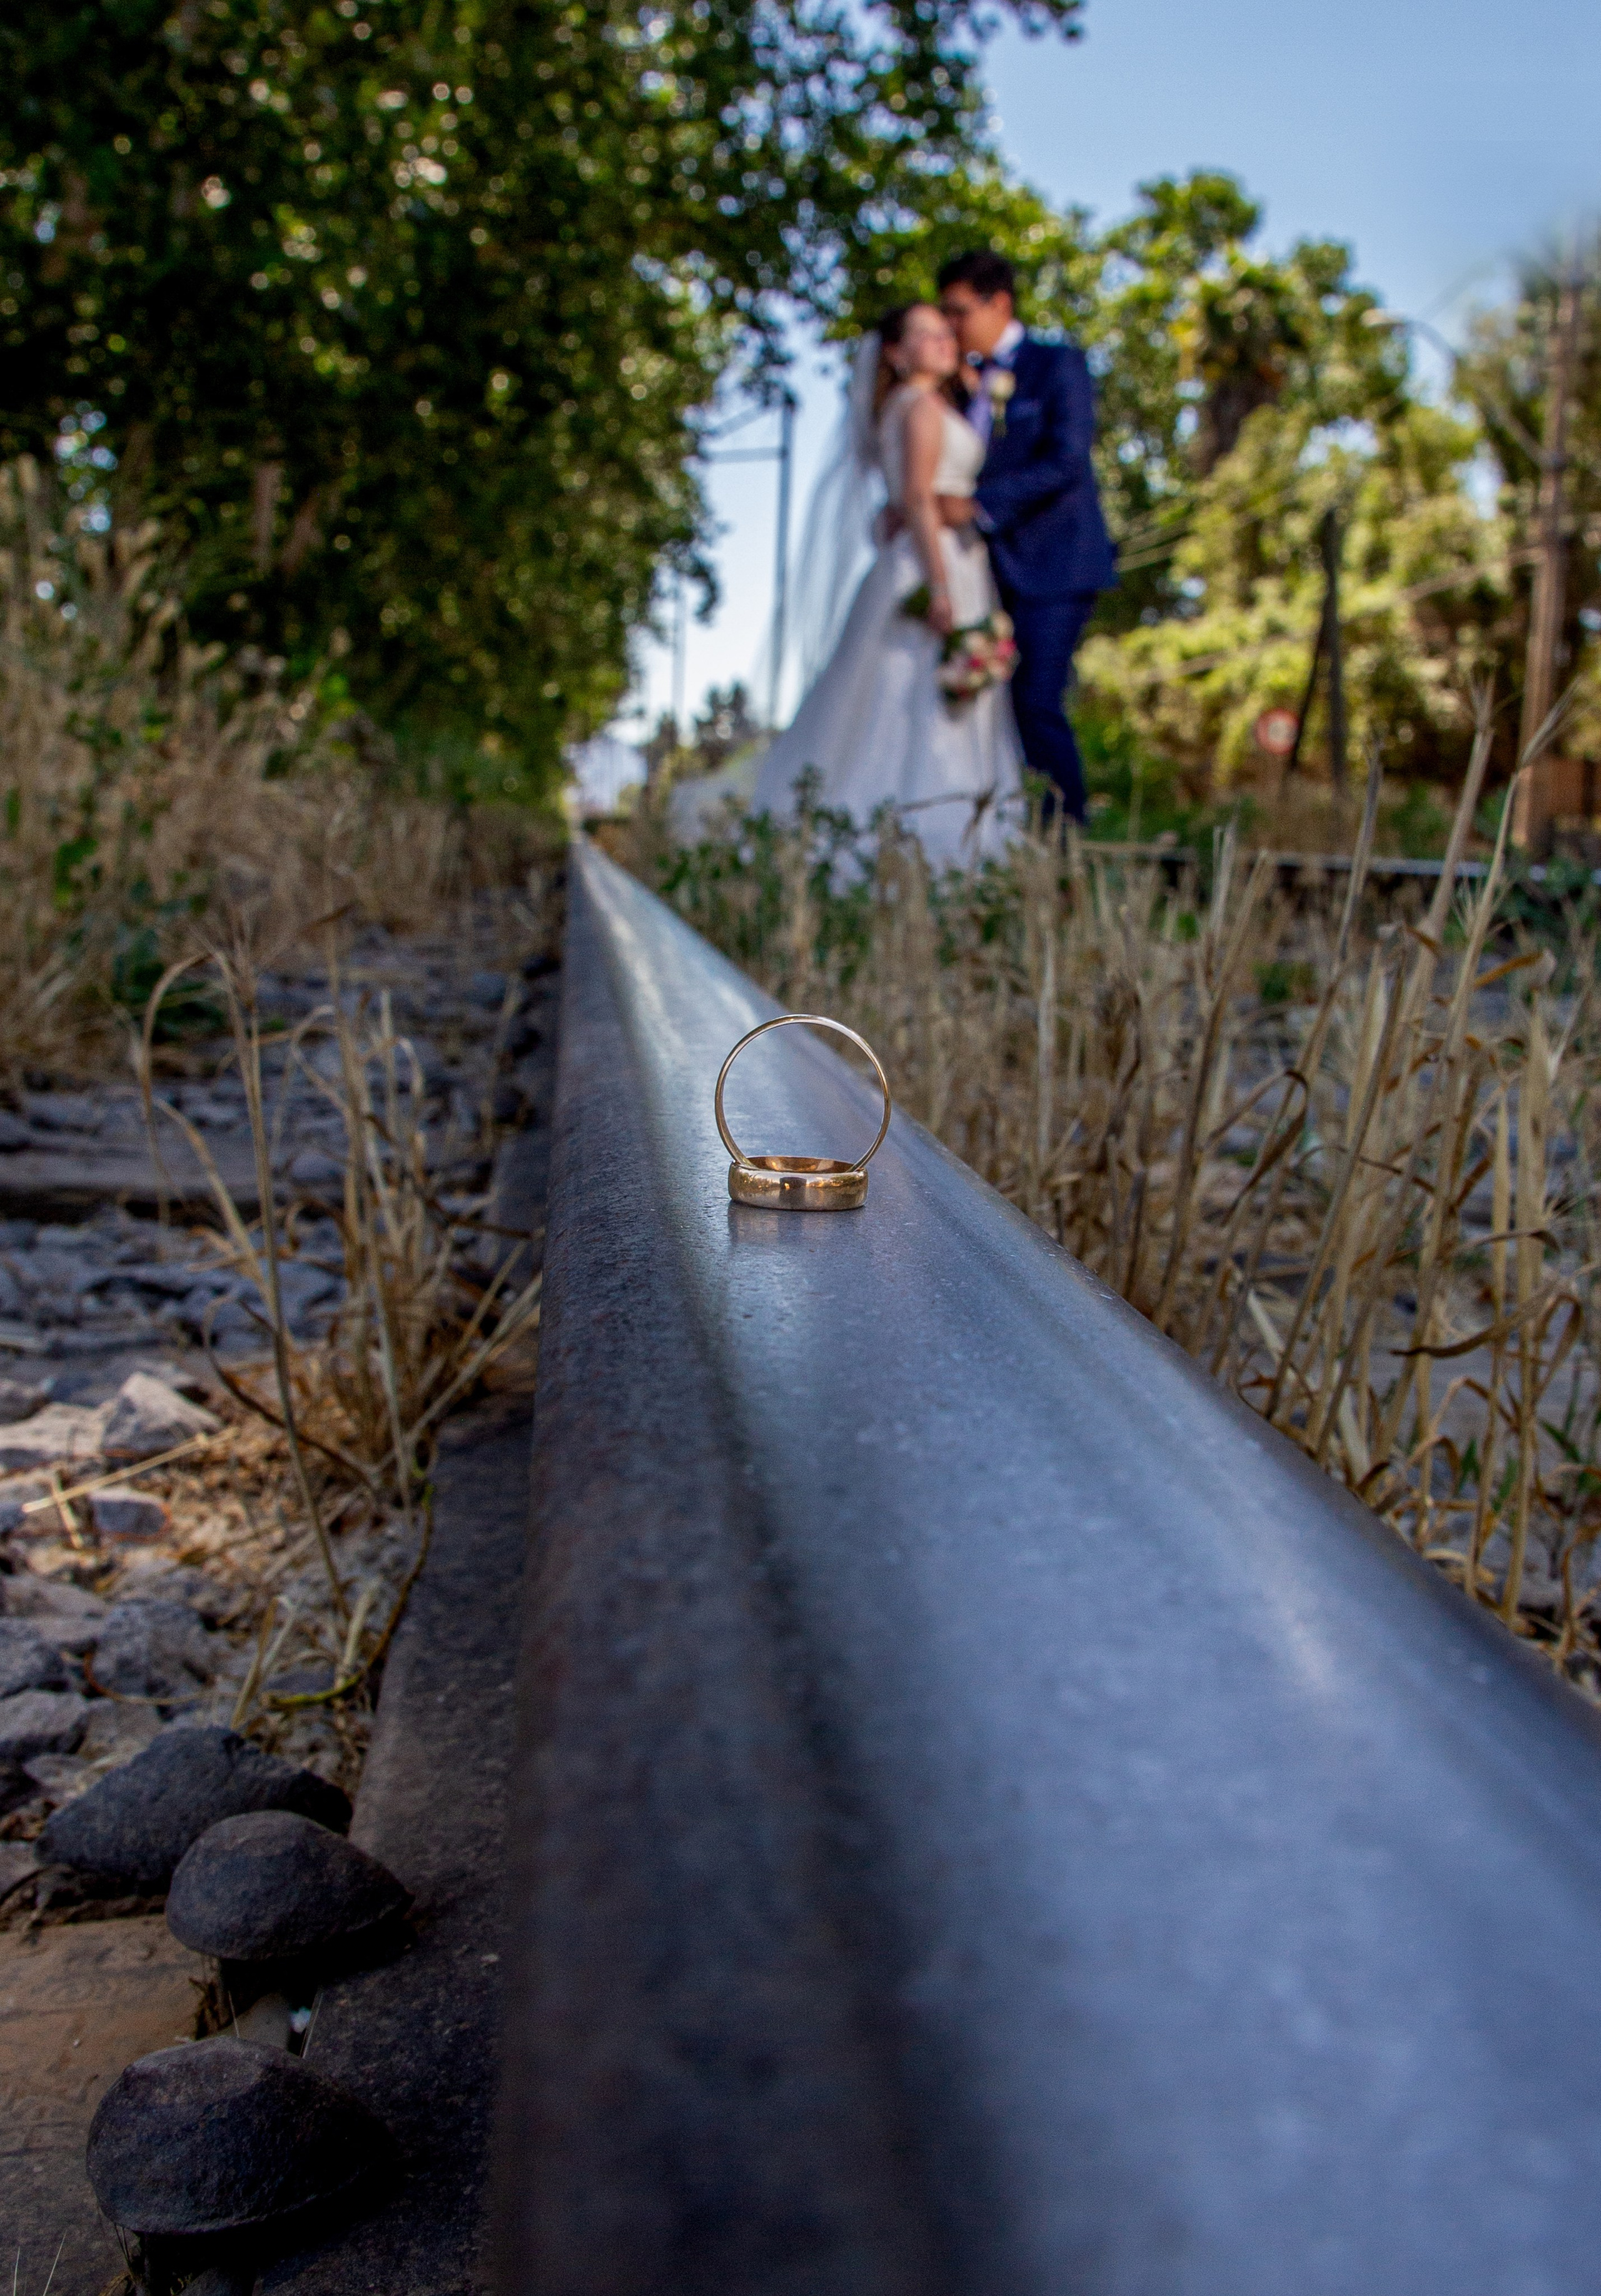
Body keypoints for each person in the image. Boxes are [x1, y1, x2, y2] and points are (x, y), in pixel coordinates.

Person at [752, 304, 1024, 868]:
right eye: (925, 334)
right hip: (934, 562)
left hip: (928, 558)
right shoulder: (920, 406)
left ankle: (920, 838)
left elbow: (900, 502)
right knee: (913, 702)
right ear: (896, 355)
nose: (943, 340)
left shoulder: (918, 405)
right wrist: (942, 587)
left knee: (901, 700)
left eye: (944, 331)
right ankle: (936, 846)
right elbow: (920, 499)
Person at [936, 248, 1115, 826]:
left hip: (1057, 562)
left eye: (960, 312)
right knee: (994, 706)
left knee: (1037, 700)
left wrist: (979, 505)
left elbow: (1066, 460)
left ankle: (1066, 835)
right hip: (987, 570)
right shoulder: (961, 385)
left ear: (1000, 303)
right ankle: (1010, 828)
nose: (953, 327)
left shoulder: (1056, 364)